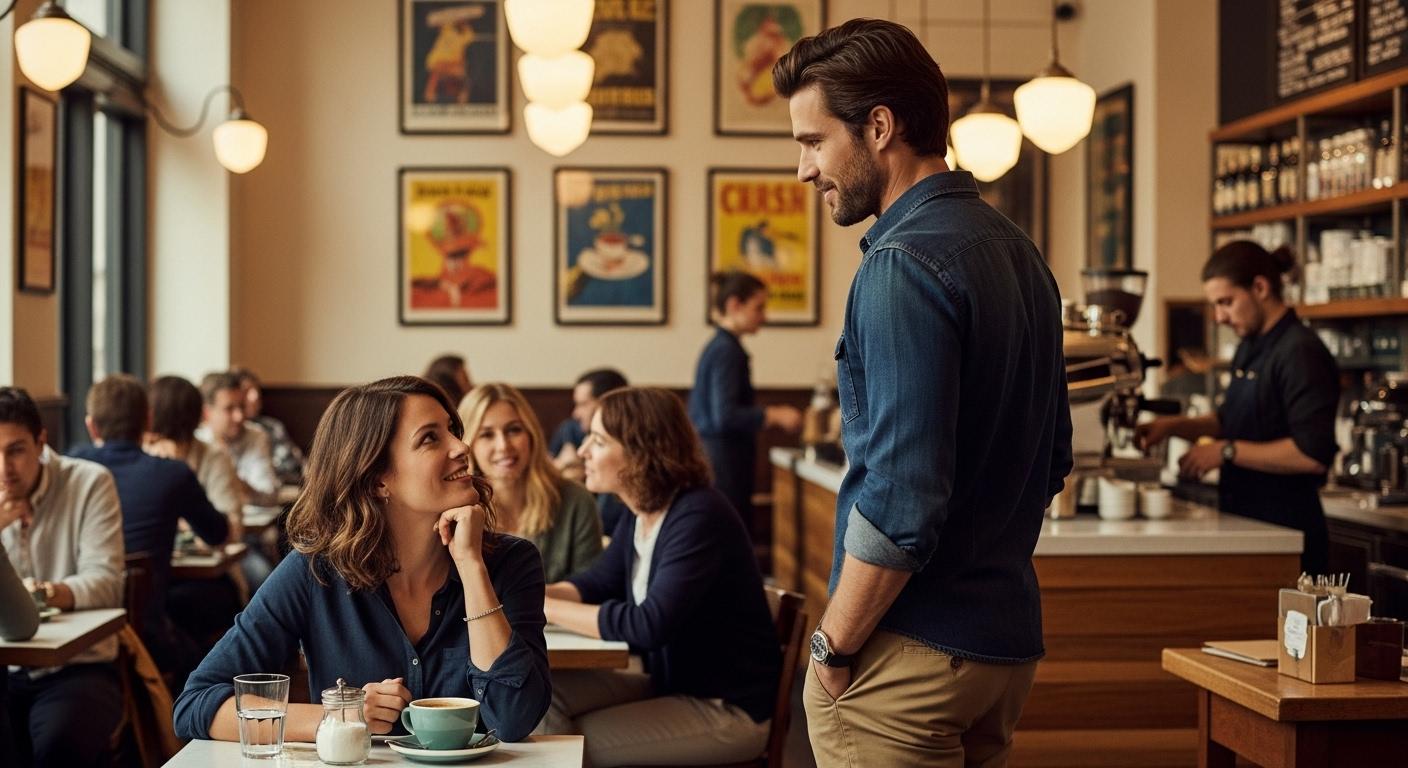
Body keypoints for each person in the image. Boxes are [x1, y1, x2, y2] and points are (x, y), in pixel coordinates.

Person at [774, 20, 1071, 767]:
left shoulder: (900, 263)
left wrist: (831, 646)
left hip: (906, 656)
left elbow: (901, 498)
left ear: (879, 128)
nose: (804, 170)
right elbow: (1053, 460)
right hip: (1002, 651)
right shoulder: (1022, 253)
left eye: (814, 142)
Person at [174, 376, 550, 743]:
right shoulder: (315, 571)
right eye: (430, 438)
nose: (461, 447)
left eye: (452, 430)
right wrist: (340, 716)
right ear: (377, 480)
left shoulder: (511, 563)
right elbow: (196, 705)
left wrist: (470, 566)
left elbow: (513, 718)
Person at [542, 387, 780, 767]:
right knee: (541, 694)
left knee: (563, 744)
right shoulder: (642, 512)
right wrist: (526, 595)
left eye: (598, 441)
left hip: (726, 708)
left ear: (641, 451)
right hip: (672, 684)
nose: (582, 450)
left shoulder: (699, 515)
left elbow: (648, 625)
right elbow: (595, 584)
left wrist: (544, 607)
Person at [1137, 241, 1338, 573]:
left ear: (1260, 288)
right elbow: (1230, 420)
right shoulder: (1250, 347)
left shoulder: (1300, 352)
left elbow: (1311, 455)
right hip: (1250, 525)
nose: (1219, 318)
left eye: (1226, 302)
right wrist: (1171, 427)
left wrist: (1225, 451)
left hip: (1289, 535)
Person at [69, 374, 231, 686]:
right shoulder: (172, 473)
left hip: (80, 625)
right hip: (149, 631)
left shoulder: (72, 467)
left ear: (92, 426)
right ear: (148, 420)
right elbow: (218, 533)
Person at [0, 387, 126, 768]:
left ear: (41, 442)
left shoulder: (88, 482)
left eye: (15, 450)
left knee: (58, 745)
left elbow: (106, 582)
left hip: (78, 666)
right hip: (6, 668)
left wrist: (40, 594)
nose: (4, 467)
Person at [689, 271, 802, 534]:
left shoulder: (719, 347)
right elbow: (725, 416)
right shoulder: (727, 351)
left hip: (716, 460)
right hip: (724, 464)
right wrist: (774, 415)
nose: (764, 317)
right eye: (758, 308)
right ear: (734, 305)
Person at [459, 383, 602, 583]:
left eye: (513, 430)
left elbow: (591, 587)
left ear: (531, 434)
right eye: (487, 435)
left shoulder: (575, 500)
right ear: (467, 445)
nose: (503, 446)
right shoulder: (457, 511)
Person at [145, 374, 248, 651]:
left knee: (170, 607)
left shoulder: (213, 458)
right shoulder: (142, 460)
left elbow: (231, 530)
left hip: (211, 578)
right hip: (157, 581)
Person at [198, 371, 280, 507]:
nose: (239, 416)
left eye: (241, 406)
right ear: (207, 413)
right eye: (229, 409)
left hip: (254, 519)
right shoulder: (196, 442)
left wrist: (236, 480)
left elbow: (270, 497)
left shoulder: (256, 436)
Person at [548, 367, 629, 481]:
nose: (575, 414)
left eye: (583, 404)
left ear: (608, 404)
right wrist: (561, 465)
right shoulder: (570, 428)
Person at [231, 367, 305, 485]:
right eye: (247, 390)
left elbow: (293, 467)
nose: (255, 396)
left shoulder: (271, 427)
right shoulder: (226, 432)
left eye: (256, 390)